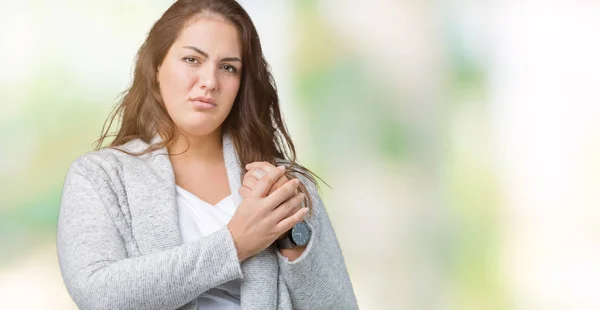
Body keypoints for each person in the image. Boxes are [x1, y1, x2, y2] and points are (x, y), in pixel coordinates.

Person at [56, 0, 357, 309]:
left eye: (228, 68)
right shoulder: (99, 176)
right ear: (156, 66)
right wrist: (234, 244)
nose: (210, 82)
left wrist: (293, 241)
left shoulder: (283, 185)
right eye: (192, 59)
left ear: (242, 83)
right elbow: (99, 295)